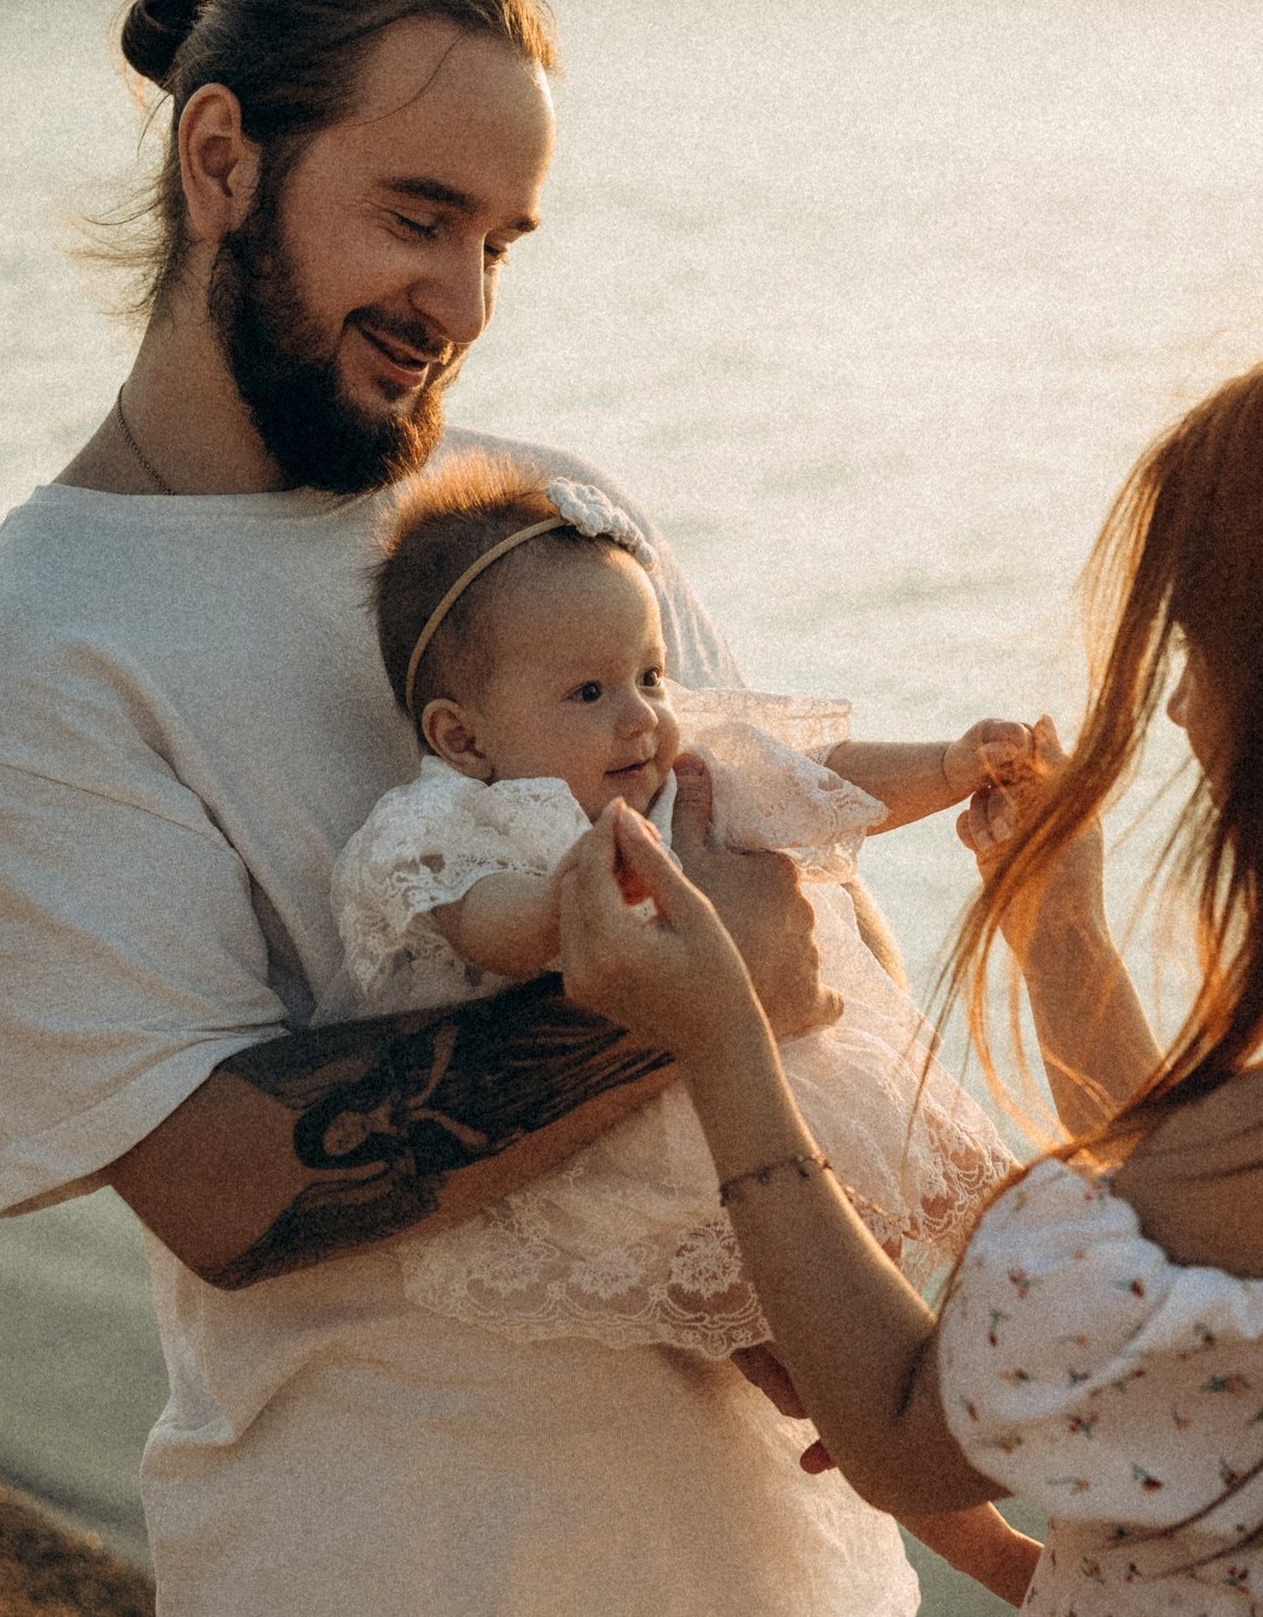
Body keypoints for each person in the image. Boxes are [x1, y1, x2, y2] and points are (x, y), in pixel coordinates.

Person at [0, 0, 999, 1612]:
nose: (461, 303)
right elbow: (224, 1184)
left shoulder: (541, 523)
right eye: (417, 218)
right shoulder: (26, 656)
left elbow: (775, 874)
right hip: (392, 1560)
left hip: (791, 1566)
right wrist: (707, 982)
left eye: (499, 240)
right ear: (220, 160)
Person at [554, 313, 1263, 1616]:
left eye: (1203, 653)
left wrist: (723, 1038)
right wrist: (1061, 938)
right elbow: (1226, 1272)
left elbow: (893, 1421)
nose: (1178, 711)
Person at [324, 455, 1039, 1600]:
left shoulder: (676, 772)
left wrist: (952, 767)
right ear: (462, 737)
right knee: (827, 1363)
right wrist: (574, 897)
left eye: (649, 673)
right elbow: (486, 921)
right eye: (589, 693)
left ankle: (1045, 1510)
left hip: (768, 1116)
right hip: (624, 1167)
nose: (643, 715)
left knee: (910, 1325)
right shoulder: (444, 824)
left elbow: (822, 779)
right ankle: (1004, 1553)